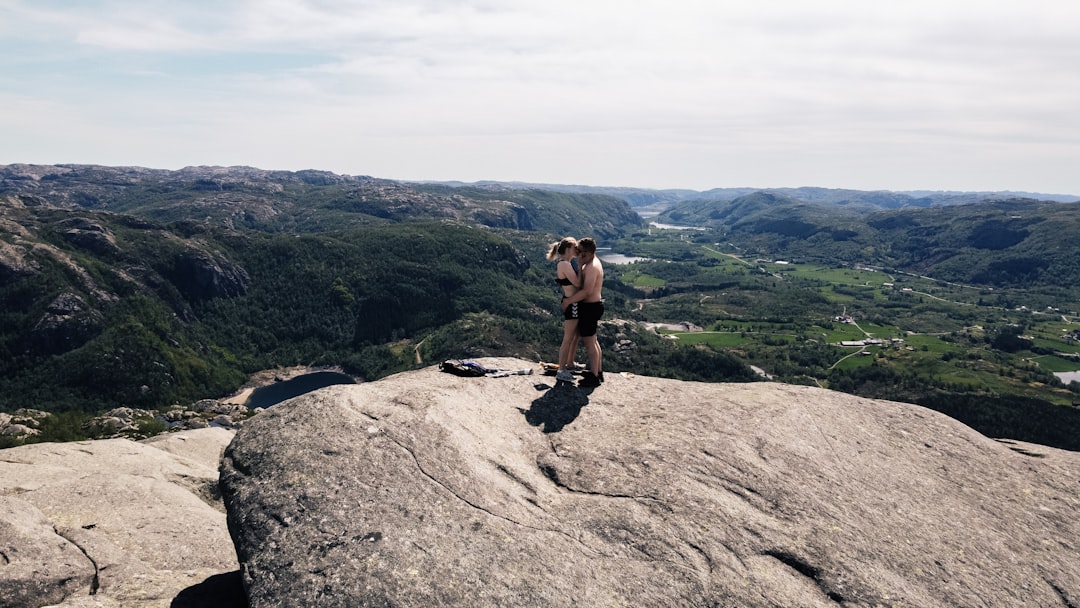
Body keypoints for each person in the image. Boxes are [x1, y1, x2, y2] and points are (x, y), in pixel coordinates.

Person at [561, 237, 604, 386]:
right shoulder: (591, 263)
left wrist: (568, 301)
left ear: (586, 253)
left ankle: (594, 377)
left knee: (589, 343)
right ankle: (598, 371)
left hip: (591, 307)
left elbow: (586, 291)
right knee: (593, 340)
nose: (578, 255)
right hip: (593, 307)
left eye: (580, 252)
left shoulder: (592, 267)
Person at [547, 237, 581, 382]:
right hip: (572, 304)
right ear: (568, 249)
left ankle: (570, 363)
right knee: (568, 337)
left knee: (575, 336)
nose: (577, 250)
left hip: (575, 303)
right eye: (575, 248)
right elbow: (578, 282)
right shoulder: (564, 265)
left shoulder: (566, 263)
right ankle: (561, 370)